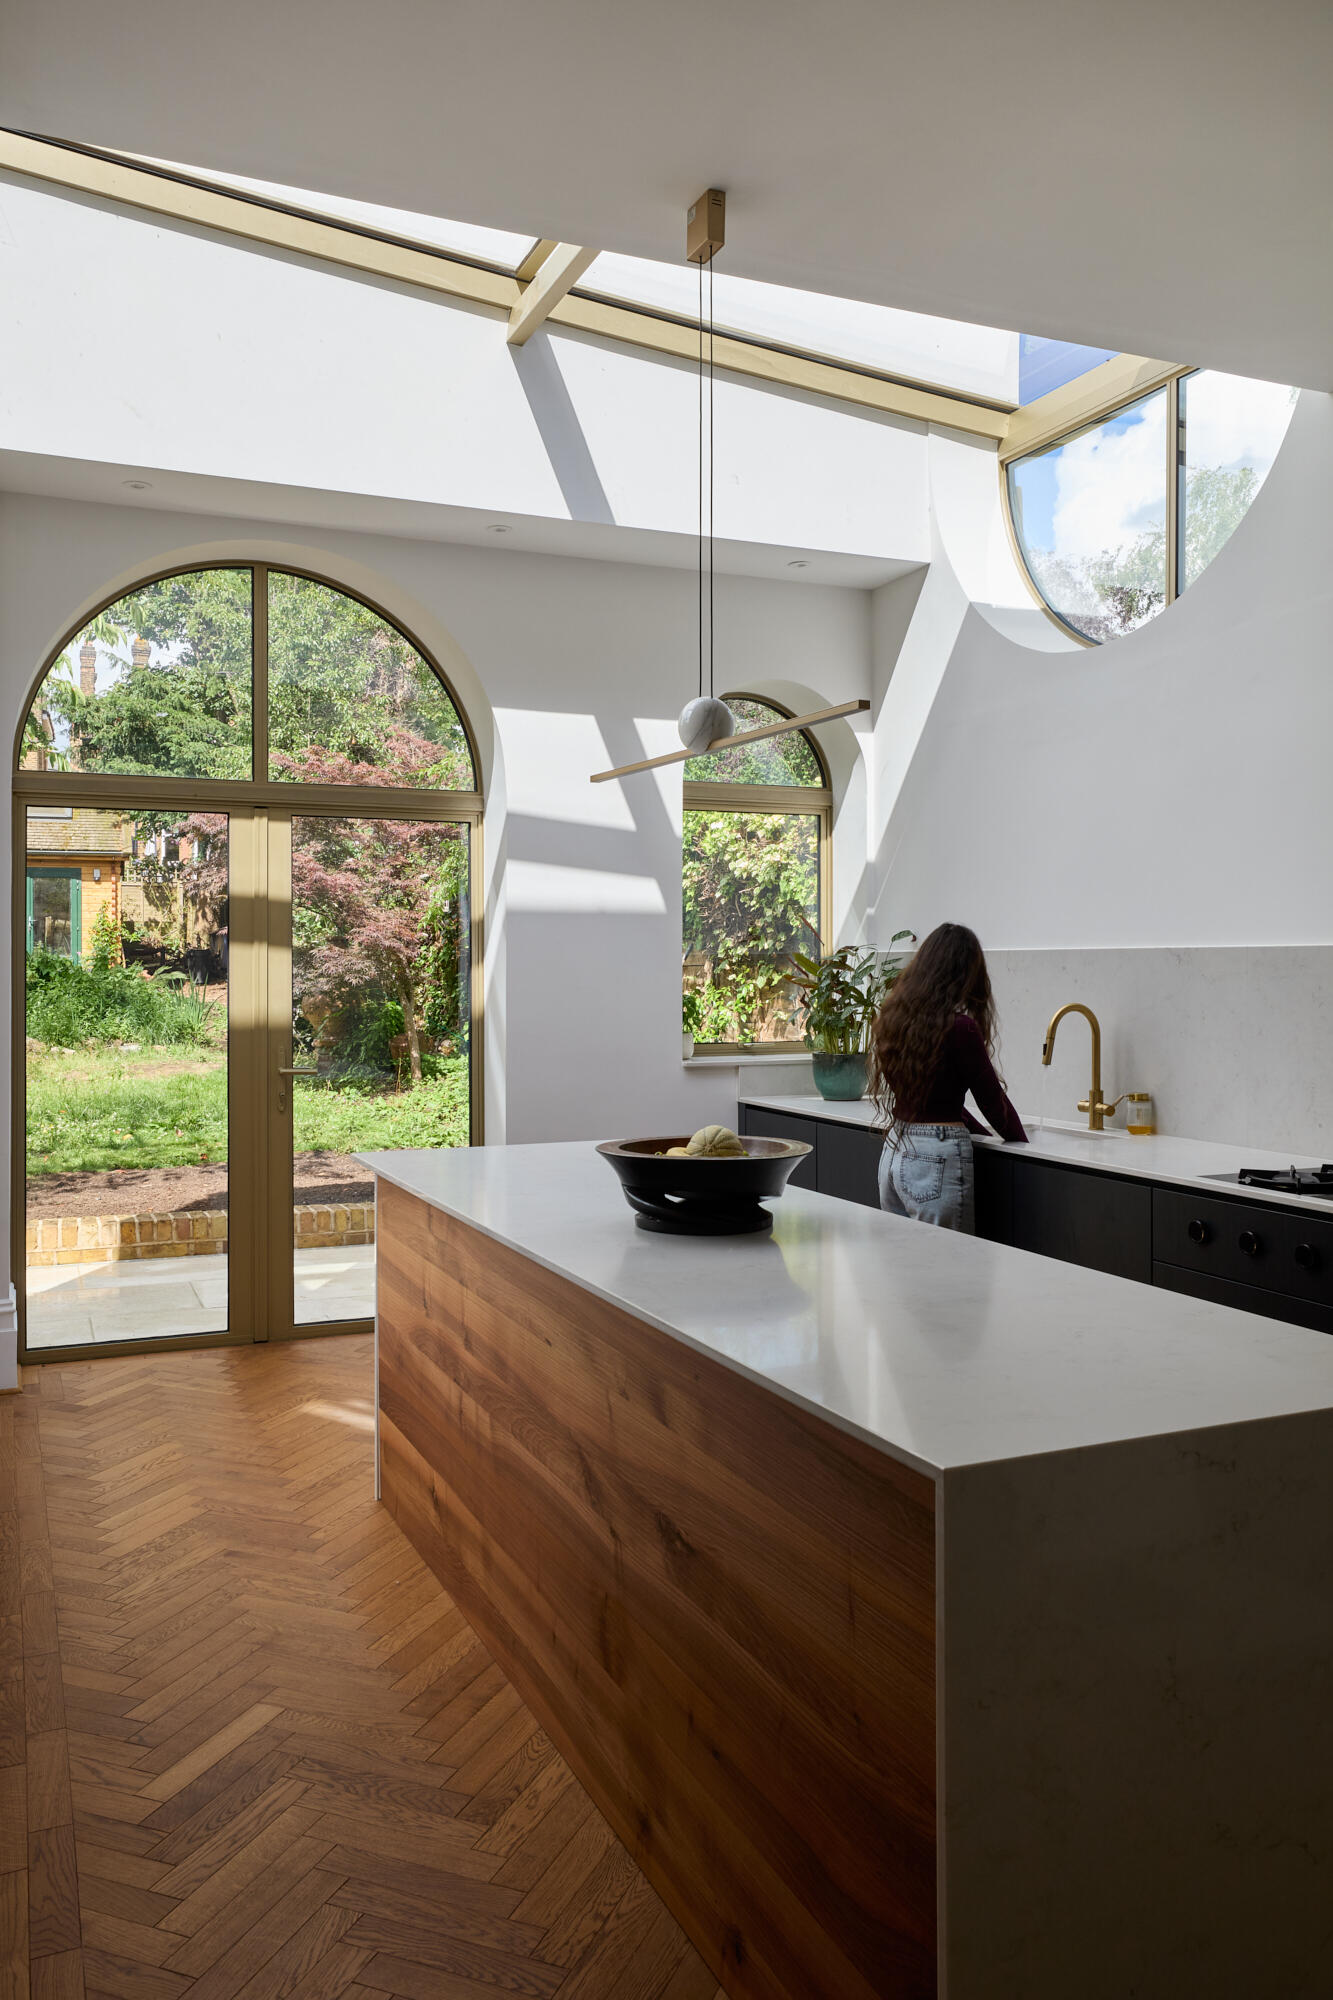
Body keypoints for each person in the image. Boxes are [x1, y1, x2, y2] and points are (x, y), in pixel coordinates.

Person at [868, 922, 1026, 1232]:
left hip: (894, 1152)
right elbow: (993, 1103)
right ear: (964, 974)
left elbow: (933, 1099)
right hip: (935, 1161)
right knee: (948, 1261)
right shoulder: (960, 1028)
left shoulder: (894, 1019)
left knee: (902, 1260)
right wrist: (1024, 1144)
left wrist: (978, 1130)